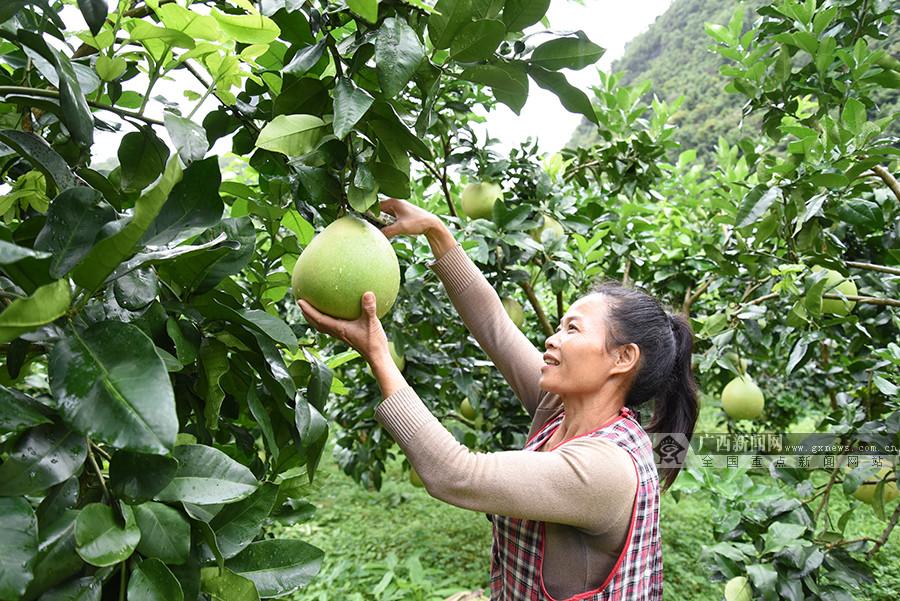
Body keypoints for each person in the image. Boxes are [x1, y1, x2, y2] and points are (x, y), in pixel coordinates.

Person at [297, 197, 700, 600]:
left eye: (573, 330)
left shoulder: (605, 470)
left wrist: (378, 355)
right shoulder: (562, 409)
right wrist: (438, 234)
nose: (552, 338)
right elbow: (496, 327)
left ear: (623, 357)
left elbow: (456, 473)